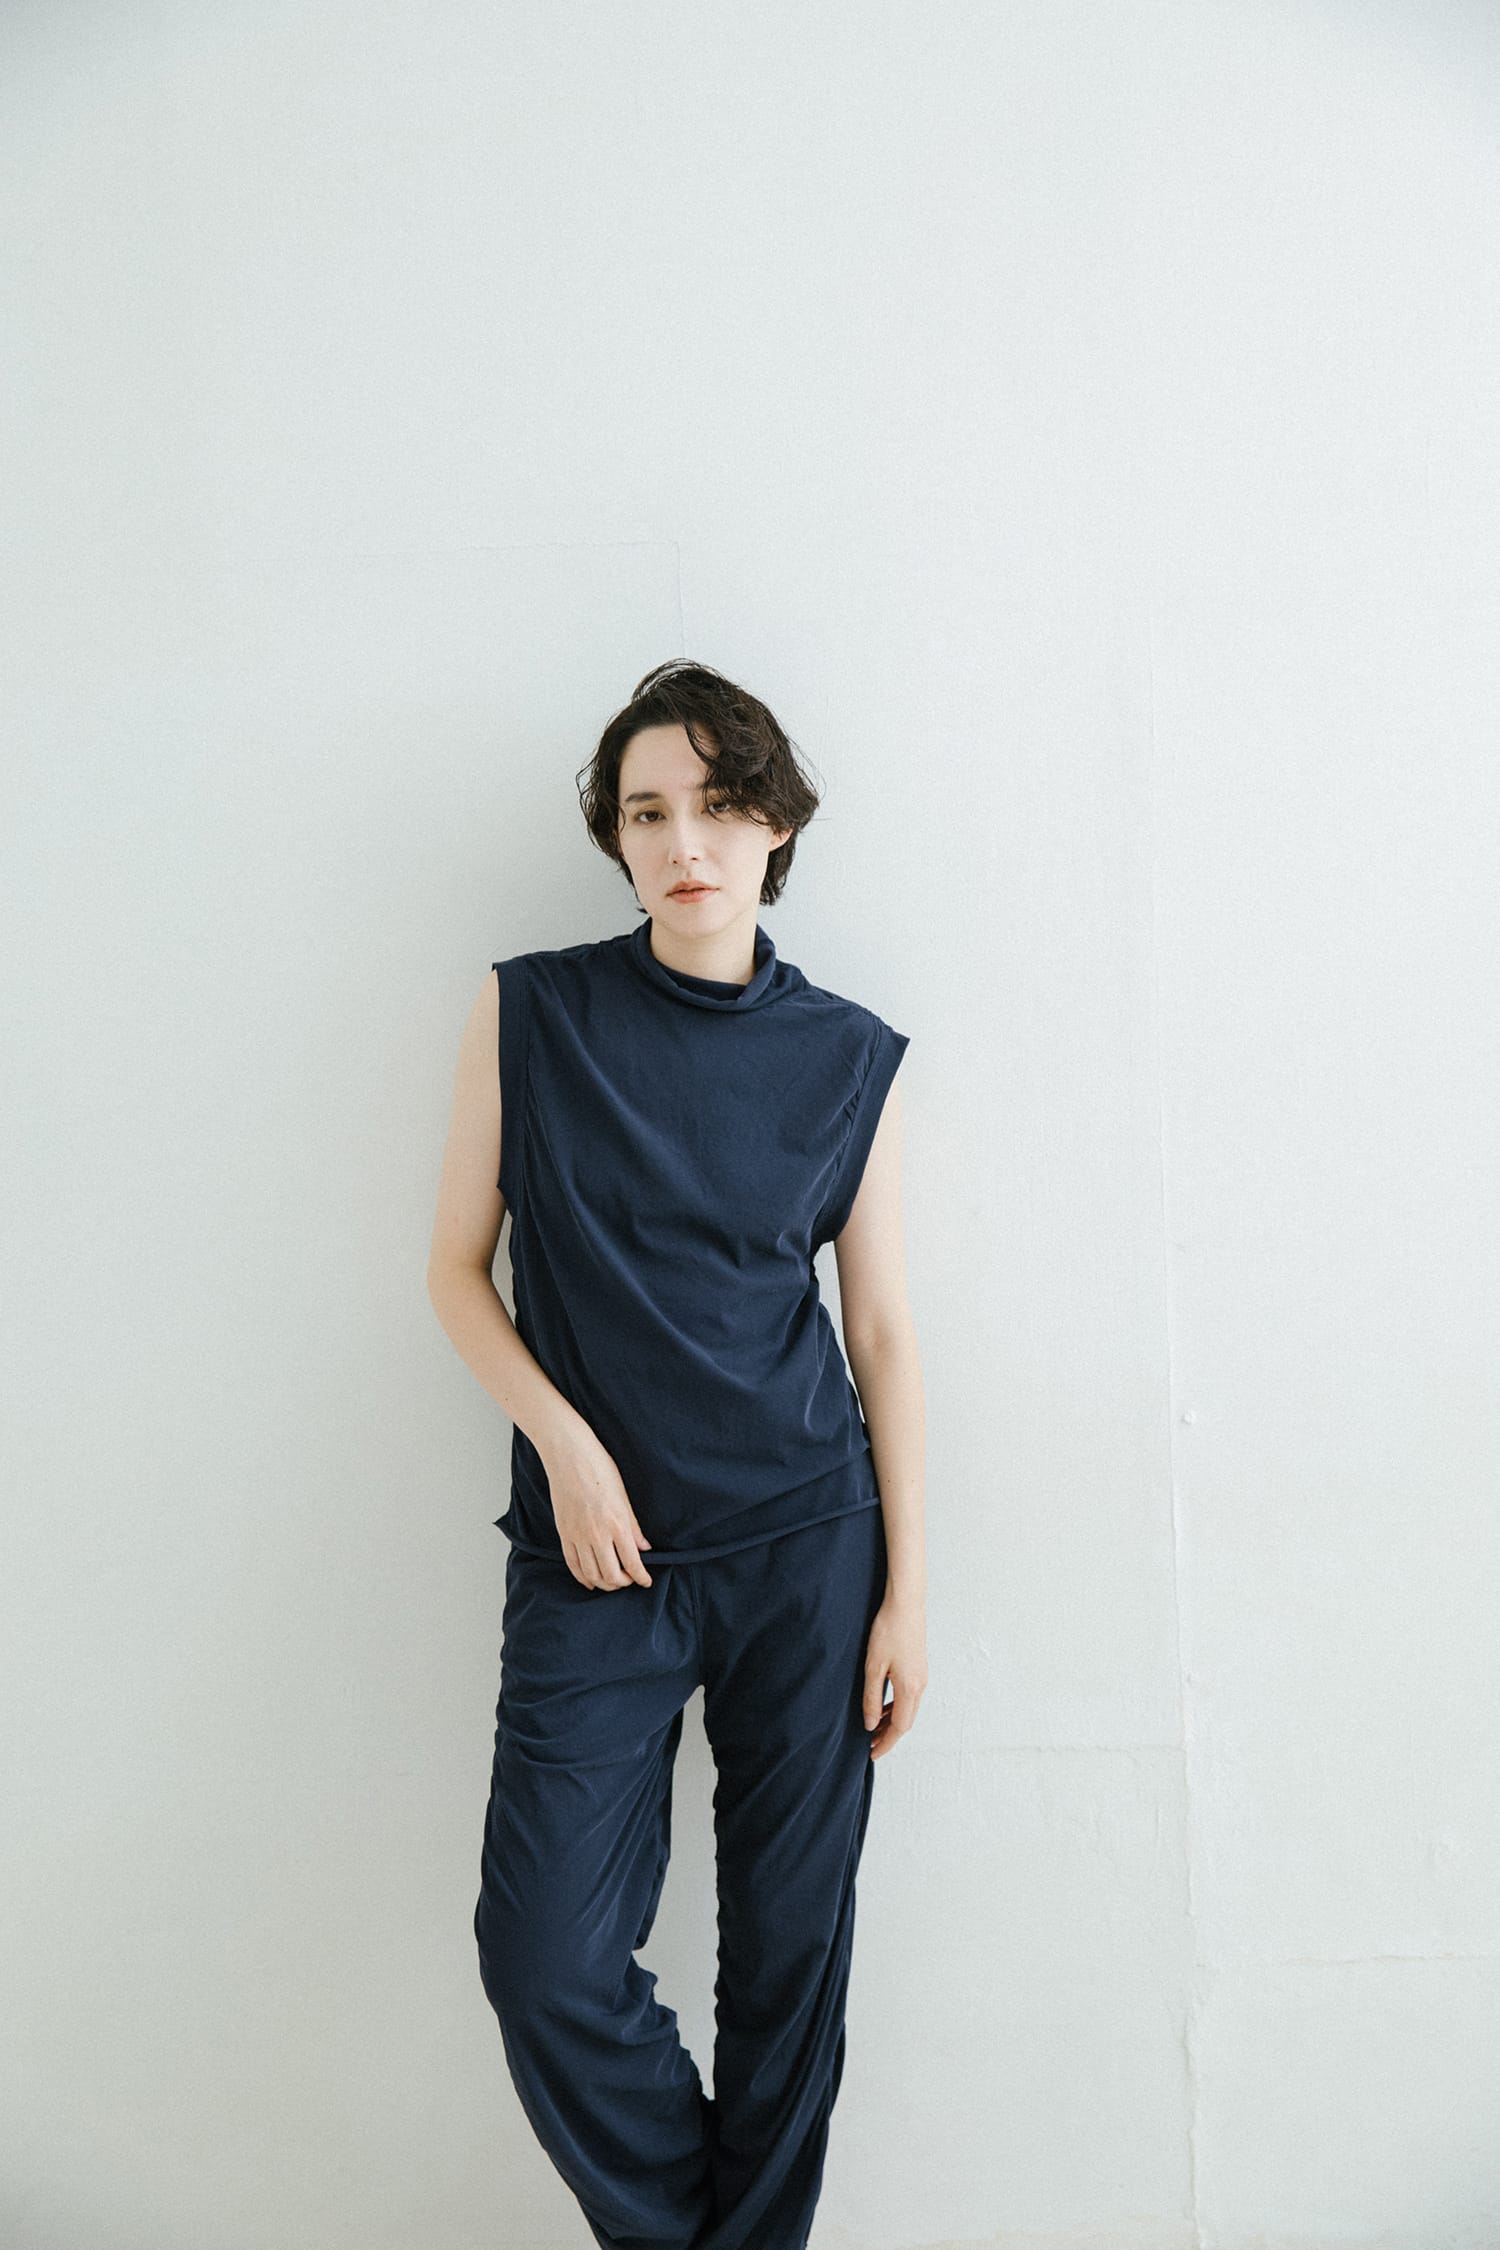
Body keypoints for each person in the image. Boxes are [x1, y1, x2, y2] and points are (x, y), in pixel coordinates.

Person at [426, 658, 927, 2250]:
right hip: (595, 1556)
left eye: (717, 804)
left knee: (788, 1964)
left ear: (776, 824)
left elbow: (881, 1333)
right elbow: (454, 1270)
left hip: (806, 1544)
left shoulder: (848, 1055)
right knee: (546, 1960)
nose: (683, 841)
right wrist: (565, 1442)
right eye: (647, 813)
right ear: (618, 840)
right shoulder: (532, 1012)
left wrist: (908, 1591)